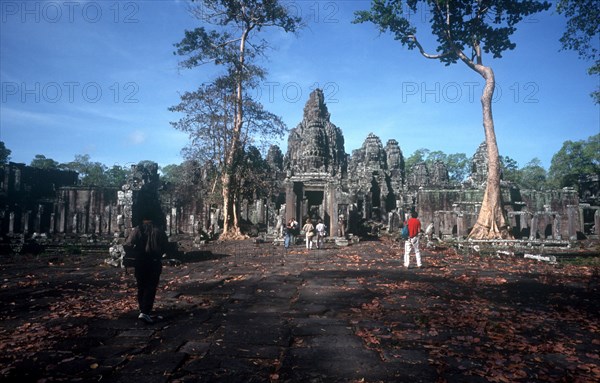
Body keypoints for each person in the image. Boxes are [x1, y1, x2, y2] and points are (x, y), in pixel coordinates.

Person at [124, 211, 169, 324]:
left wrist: (136, 252)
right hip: (154, 261)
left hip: (140, 261)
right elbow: (166, 247)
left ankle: (143, 309)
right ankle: (145, 311)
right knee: (151, 286)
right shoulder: (159, 231)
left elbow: (128, 244)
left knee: (141, 286)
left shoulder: (137, 230)